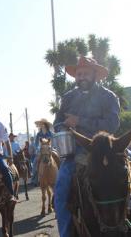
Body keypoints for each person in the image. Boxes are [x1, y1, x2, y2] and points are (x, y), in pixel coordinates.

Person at [53, 56, 120, 237]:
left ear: (95, 75)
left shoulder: (108, 96)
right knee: (59, 192)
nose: (81, 77)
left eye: (85, 73)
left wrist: (79, 121)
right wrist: (63, 126)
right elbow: (57, 123)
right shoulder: (68, 98)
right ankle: (65, 234)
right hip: (75, 153)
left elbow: (113, 124)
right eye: (79, 74)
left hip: (105, 149)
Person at [32, 118, 54, 186]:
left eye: (42, 124)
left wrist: (52, 148)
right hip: (41, 150)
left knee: (58, 158)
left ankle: (59, 176)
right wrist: (38, 149)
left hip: (50, 150)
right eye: (40, 124)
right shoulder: (38, 134)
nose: (41, 125)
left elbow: (54, 143)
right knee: (35, 162)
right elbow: (36, 144)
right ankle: (35, 180)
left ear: (45, 125)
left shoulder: (51, 134)